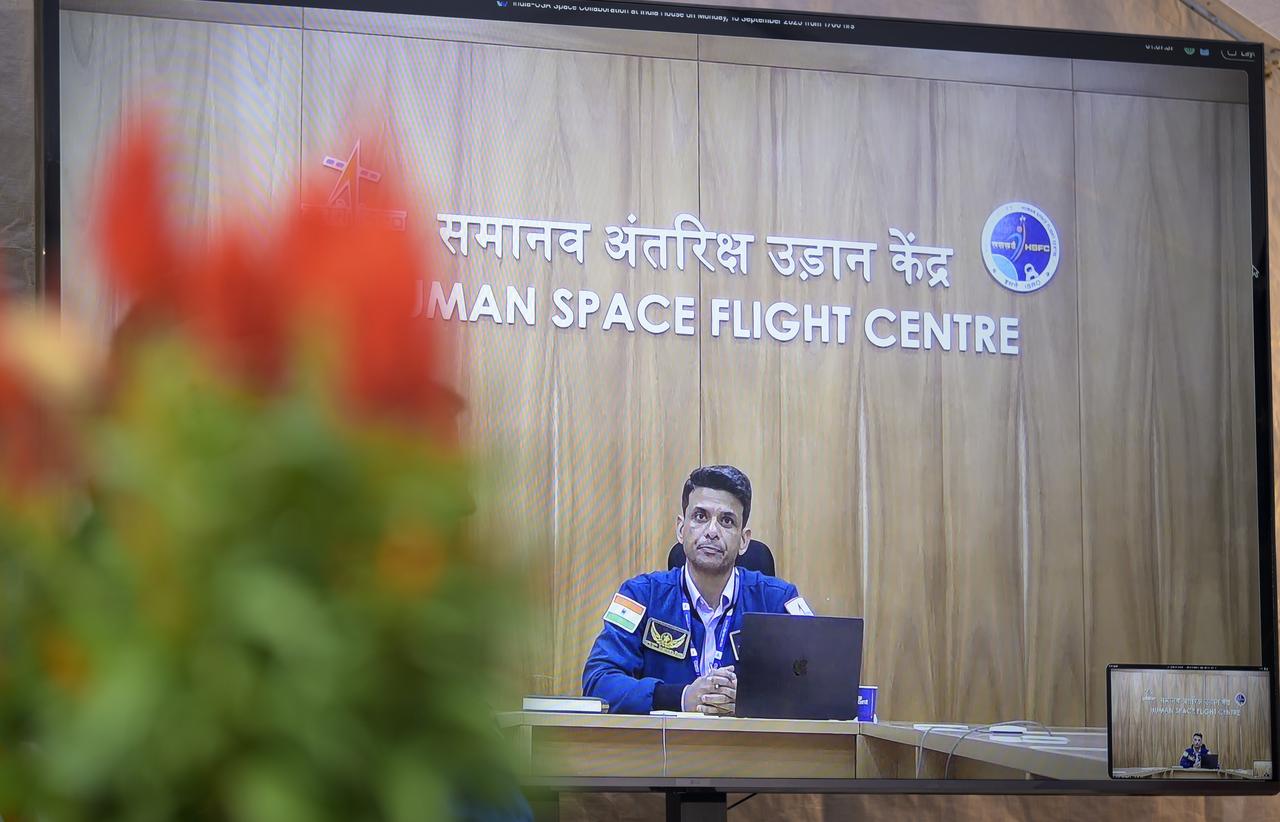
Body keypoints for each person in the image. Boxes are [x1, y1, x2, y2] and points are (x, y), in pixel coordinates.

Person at [582, 465, 813, 715]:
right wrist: (679, 697)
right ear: (681, 529)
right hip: (664, 750)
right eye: (701, 517)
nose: (712, 532)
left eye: (726, 520)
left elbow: (819, 682)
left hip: (750, 750)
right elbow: (598, 680)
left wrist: (753, 699)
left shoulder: (778, 600)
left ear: (744, 540)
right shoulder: (640, 596)